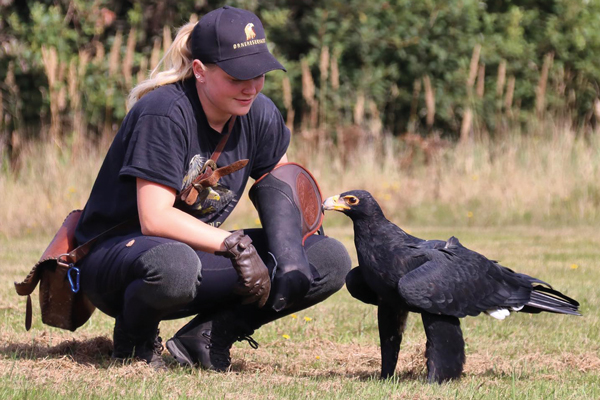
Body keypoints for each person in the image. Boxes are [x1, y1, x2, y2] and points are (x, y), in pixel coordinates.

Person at [74, 6, 351, 371]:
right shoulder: (165, 112)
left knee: (328, 259)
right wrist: (235, 245)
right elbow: (154, 218)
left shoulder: (260, 113)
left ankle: (207, 337)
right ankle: (135, 341)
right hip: (120, 260)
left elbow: (282, 186)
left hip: (190, 253)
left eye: (259, 74)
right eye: (238, 76)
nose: (251, 86)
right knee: (175, 265)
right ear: (201, 71)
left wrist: (291, 254)